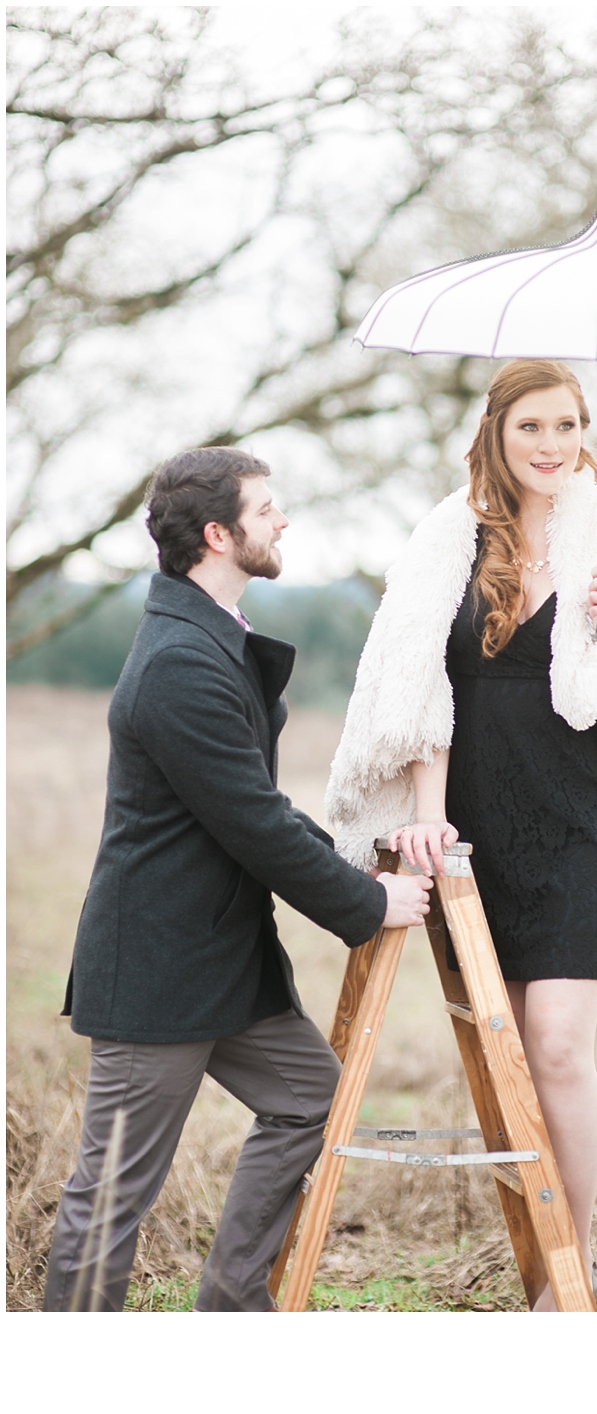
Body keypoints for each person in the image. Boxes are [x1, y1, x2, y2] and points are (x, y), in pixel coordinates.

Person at [326, 358, 597, 1307]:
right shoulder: (451, 537)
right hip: (477, 814)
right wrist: (429, 812)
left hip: (581, 817)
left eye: (568, 426)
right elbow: (417, 690)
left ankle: (573, 1260)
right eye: (532, 427)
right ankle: (535, 1243)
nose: (554, 445)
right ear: (495, 431)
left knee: (560, 1045)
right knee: (509, 1054)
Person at [43, 448, 434, 1311]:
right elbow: (252, 823)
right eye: (267, 509)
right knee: (111, 1197)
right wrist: (367, 903)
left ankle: (228, 1312)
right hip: (157, 970)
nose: (283, 519)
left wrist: (349, 866)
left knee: (310, 1101)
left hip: (222, 964)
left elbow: (256, 802)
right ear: (218, 535)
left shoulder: (210, 638)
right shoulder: (179, 663)